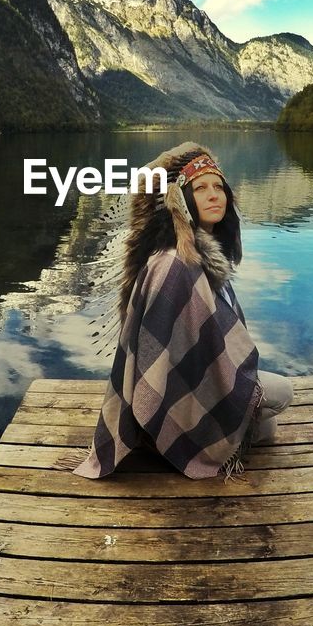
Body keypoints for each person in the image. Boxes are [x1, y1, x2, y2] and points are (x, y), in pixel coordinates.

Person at [70, 142, 293, 480]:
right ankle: (166, 435)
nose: (214, 194)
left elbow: (207, 341)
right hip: (165, 395)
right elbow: (152, 352)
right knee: (282, 394)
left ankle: (175, 436)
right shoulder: (173, 263)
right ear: (183, 201)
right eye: (201, 188)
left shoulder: (207, 257)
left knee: (268, 425)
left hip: (189, 385)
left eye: (219, 187)